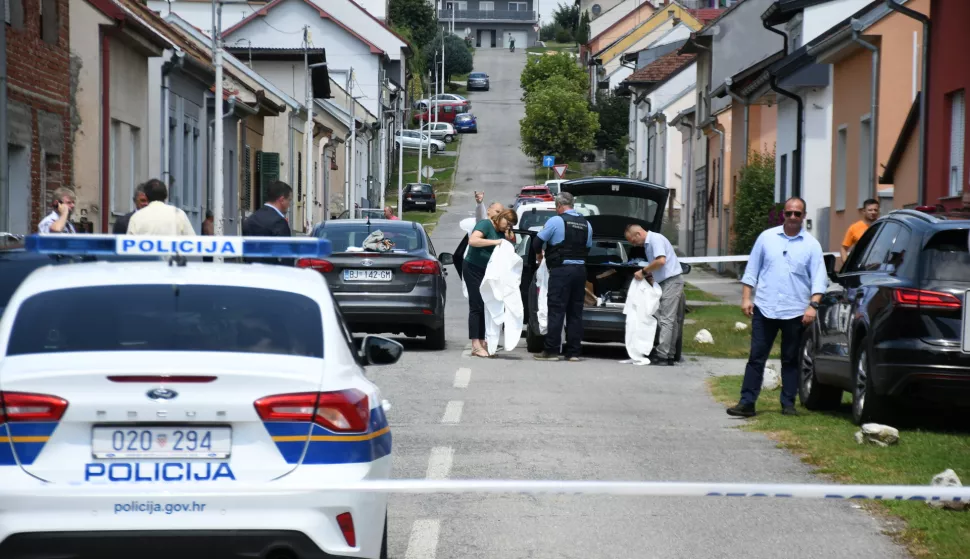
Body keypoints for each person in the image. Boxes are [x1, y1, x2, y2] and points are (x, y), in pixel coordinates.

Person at [726, 197, 827, 418]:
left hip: (795, 311)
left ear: (804, 216)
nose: (792, 217)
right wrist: (745, 298)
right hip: (765, 308)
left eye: (797, 214)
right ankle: (747, 403)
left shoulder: (811, 245)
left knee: (790, 359)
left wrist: (813, 306)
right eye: (789, 213)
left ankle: (788, 404)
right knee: (756, 358)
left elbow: (819, 280)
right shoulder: (766, 238)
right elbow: (752, 270)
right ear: (783, 214)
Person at [533, 192, 592, 362]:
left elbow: (537, 242)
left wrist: (539, 255)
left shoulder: (556, 221)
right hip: (580, 270)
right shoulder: (587, 224)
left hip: (561, 271)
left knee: (556, 310)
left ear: (559, 206)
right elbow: (588, 247)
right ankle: (573, 352)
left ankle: (551, 351)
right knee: (575, 312)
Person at [624, 224, 684, 366]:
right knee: (671, 320)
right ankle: (669, 354)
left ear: (638, 234)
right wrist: (652, 275)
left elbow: (661, 261)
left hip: (671, 281)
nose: (634, 244)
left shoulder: (655, 240)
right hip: (665, 281)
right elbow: (659, 265)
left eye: (633, 240)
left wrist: (643, 272)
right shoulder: (649, 243)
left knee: (666, 319)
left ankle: (663, 355)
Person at [465, 209, 518, 358]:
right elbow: (473, 240)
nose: (507, 227)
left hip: (489, 272)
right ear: (501, 217)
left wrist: (509, 238)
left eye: (511, 226)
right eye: (507, 223)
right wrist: (495, 241)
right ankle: (476, 344)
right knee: (476, 305)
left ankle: (484, 340)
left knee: (488, 305)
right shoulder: (486, 225)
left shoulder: (504, 233)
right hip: (473, 268)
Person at [126, 179, 195, 236]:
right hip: (173, 252)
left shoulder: (137, 217)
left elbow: (128, 246)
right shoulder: (179, 214)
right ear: (166, 196)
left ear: (146, 196)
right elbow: (192, 242)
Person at [840, 198, 880, 262]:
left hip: (880, 266)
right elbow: (844, 248)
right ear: (864, 211)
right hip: (860, 266)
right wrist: (846, 264)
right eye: (870, 210)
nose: (873, 212)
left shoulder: (882, 226)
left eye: (875, 210)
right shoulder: (854, 228)